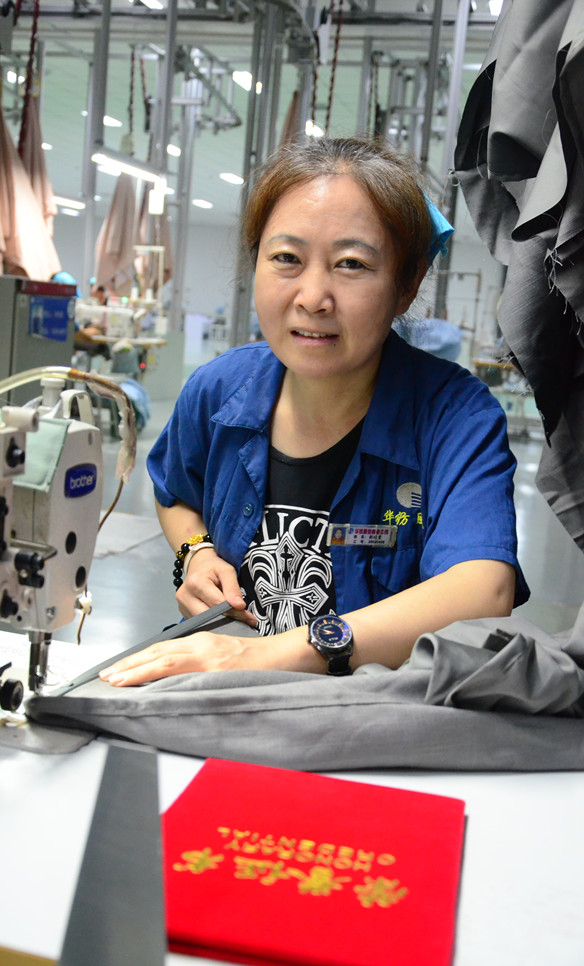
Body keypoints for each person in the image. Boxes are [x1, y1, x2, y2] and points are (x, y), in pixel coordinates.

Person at [100, 135, 529, 688]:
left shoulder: (454, 417)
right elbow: (175, 492)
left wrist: (263, 656)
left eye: (351, 264)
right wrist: (196, 551)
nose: (312, 298)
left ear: (407, 284)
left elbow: (483, 588)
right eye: (287, 258)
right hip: (227, 696)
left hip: (372, 711)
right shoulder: (217, 390)